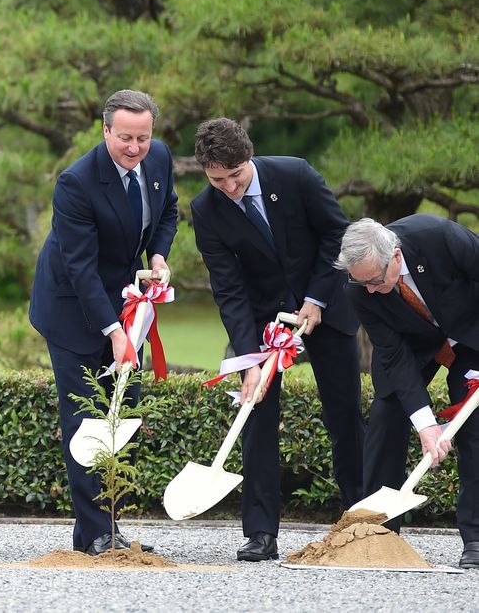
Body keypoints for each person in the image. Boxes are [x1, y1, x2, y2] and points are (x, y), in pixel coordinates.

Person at [191, 118, 364, 562]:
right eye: (217, 179)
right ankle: (261, 533)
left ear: (249, 157)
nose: (228, 187)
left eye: (236, 175)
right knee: (256, 417)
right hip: (261, 322)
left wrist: (316, 299)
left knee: (343, 414)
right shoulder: (205, 209)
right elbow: (227, 288)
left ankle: (361, 521)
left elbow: (336, 233)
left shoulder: (295, 174)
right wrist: (249, 357)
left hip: (323, 310)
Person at [29, 89, 176, 555]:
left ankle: (106, 527)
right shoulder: (76, 182)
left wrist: (158, 255)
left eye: (143, 138)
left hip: (125, 299)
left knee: (122, 411)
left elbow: (168, 210)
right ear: (105, 130)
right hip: (73, 306)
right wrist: (113, 332)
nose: (135, 149)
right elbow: (80, 267)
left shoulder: (158, 160)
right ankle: (96, 533)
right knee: (87, 417)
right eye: (125, 138)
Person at [339, 216, 479, 570]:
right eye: (361, 281)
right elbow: (395, 355)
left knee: (474, 420)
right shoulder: (358, 287)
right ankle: (377, 533)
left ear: (396, 257)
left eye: (374, 279)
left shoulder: (440, 236)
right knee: (388, 414)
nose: (368, 289)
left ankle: (476, 537)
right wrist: (426, 425)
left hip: (470, 332)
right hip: (412, 344)